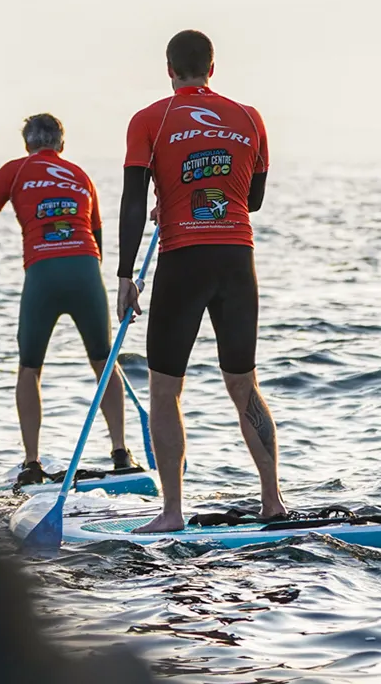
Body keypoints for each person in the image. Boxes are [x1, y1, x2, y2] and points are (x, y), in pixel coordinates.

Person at [117, 29, 285, 532]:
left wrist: (125, 275)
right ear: (213, 68)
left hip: (182, 262)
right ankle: (272, 502)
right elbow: (252, 201)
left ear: (169, 69)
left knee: (166, 390)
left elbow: (130, 200)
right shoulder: (249, 117)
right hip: (237, 259)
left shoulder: (150, 119)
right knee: (244, 385)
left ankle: (171, 513)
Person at [0, 114, 134, 487]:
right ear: (62, 145)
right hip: (86, 270)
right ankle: (121, 454)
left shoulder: (14, 170)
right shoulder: (80, 175)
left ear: (27, 144)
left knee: (30, 366)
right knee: (104, 362)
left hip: (43, 274)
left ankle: (32, 462)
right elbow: (98, 236)